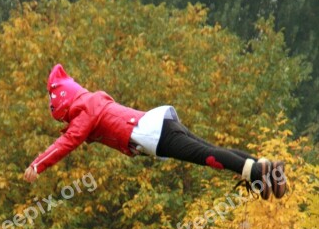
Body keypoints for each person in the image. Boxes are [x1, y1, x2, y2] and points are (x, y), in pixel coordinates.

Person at [23, 64, 287, 200]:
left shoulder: (86, 108)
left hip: (155, 133)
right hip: (158, 127)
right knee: (209, 150)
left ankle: (256, 174)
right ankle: (264, 167)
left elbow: (69, 140)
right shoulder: (89, 104)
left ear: (63, 98)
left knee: (206, 155)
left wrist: (38, 165)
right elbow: (74, 133)